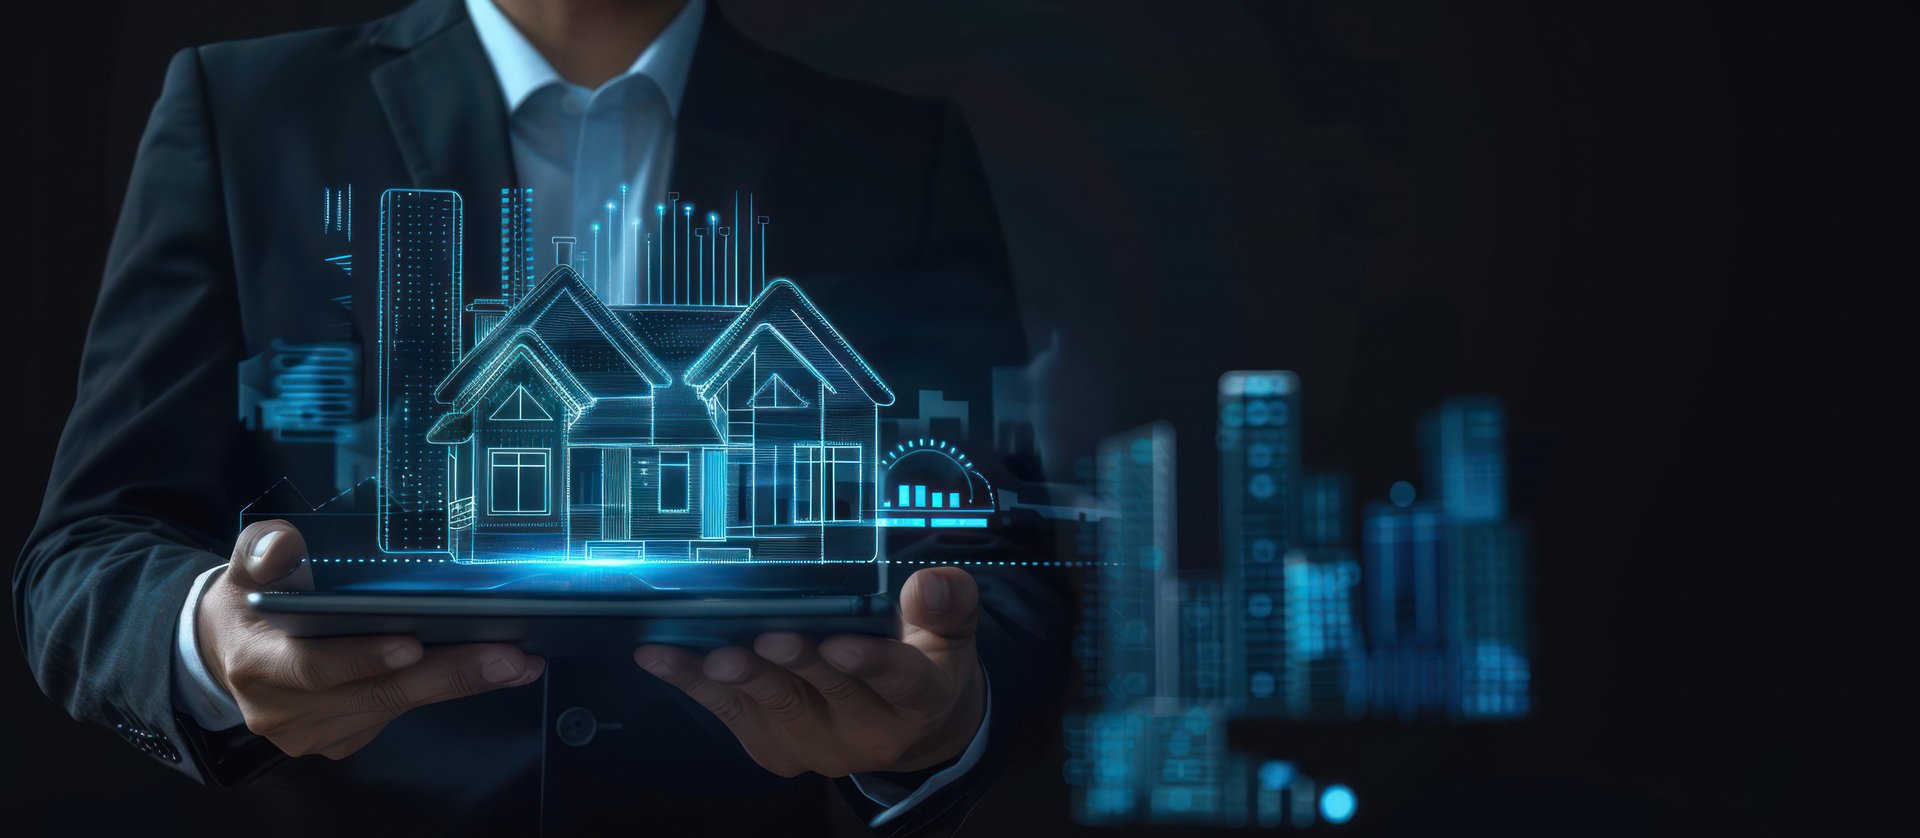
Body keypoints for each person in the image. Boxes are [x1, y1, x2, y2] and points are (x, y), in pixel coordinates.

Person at [13, 0, 1067, 833]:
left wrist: (940, 716)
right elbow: (88, 548)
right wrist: (210, 638)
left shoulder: (892, 156)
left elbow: (1002, 553)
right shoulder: (244, 112)